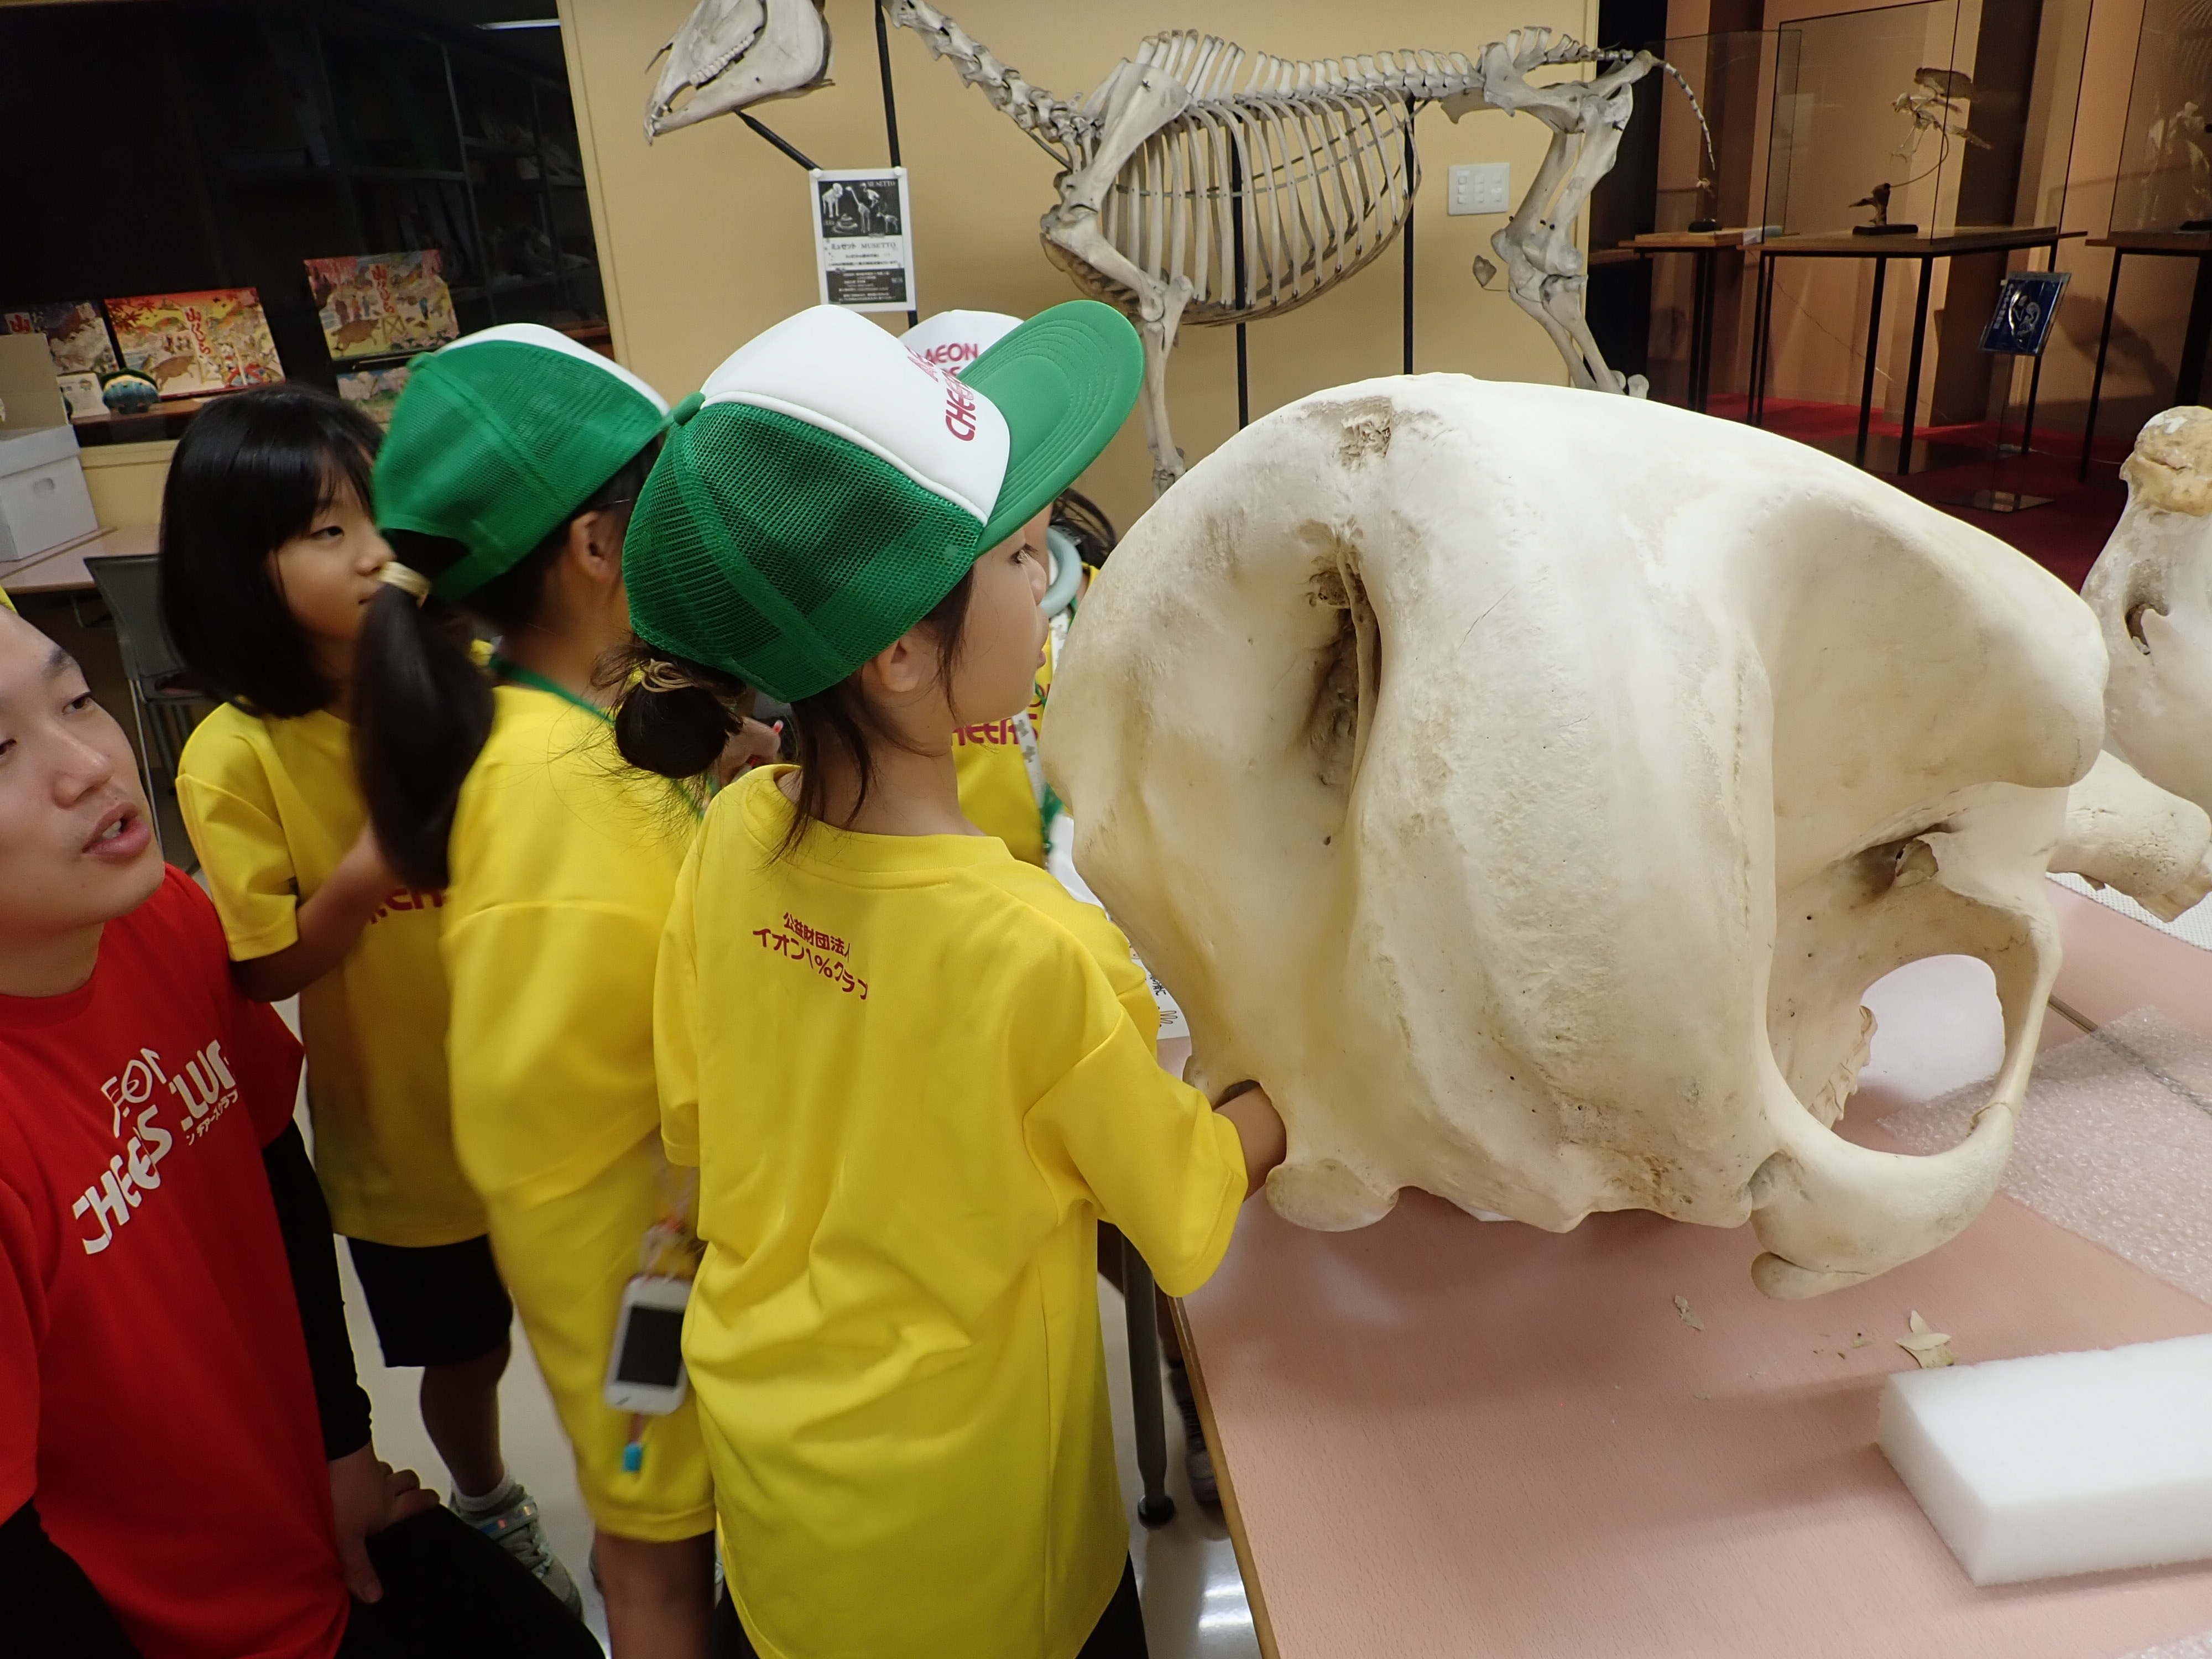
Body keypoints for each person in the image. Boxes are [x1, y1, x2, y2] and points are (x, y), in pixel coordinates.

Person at [612, 301, 1288, 1659]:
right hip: (987, 1556)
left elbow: (694, 1133)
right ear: (903, 652)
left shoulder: (733, 837)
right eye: (1027, 555)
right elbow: (1182, 1217)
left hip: (785, 1505)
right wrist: (1279, 1100)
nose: (1050, 587)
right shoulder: (1035, 946)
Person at [0, 604, 602, 1659]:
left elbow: (274, 1166)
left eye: (77, 698)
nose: (91, 764)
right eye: (0, 751)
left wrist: (342, 1447)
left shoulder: (165, 922)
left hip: (319, 1532)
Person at [352, 324, 769, 1659]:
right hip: (636, 1272)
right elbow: (554, 1096)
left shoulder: (576, 726)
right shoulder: (547, 787)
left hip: (662, 1256)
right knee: (655, 1565)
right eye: (668, 506)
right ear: (597, 548)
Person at [157, 385, 577, 1609]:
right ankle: (494, 1498)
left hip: (560, 1097)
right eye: (324, 531)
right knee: (469, 1350)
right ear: (242, 569)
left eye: (380, 515)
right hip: (403, 1140)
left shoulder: (484, 680)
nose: (373, 552)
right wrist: (362, 878)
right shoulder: (234, 756)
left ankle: (654, 1499)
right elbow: (259, 965)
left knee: (619, 1320)